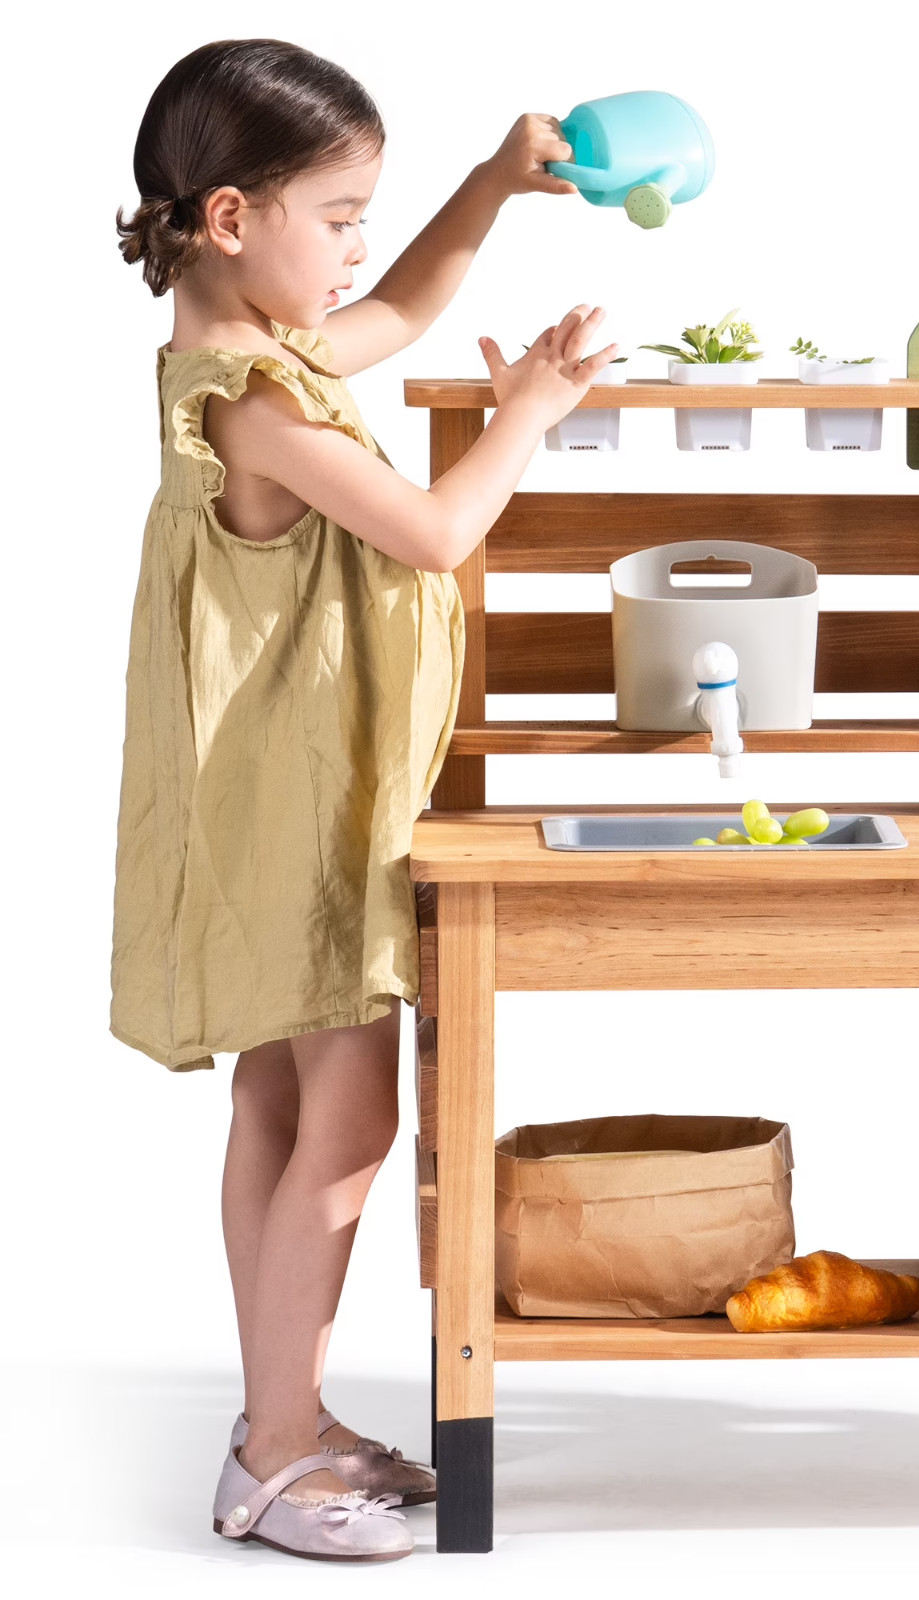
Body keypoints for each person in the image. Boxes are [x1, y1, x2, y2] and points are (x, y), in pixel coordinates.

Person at [111, 37, 615, 1562]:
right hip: (299, 805)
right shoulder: (257, 401)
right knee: (351, 1109)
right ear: (230, 219)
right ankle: (276, 1450)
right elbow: (437, 530)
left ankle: (285, 1414)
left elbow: (397, 311)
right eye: (336, 216)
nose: (354, 249)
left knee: (280, 1100)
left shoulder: (244, 353)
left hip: (264, 789)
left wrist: (493, 186)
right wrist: (531, 408)